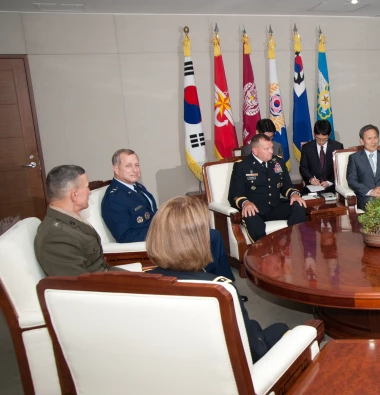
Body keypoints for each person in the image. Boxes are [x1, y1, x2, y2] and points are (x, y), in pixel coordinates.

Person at [146, 196, 289, 362]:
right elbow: (255, 350)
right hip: (233, 372)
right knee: (282, 329)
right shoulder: (221, 291)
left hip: (174, 363)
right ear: (199, 241)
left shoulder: (138, 285)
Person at [101, 148, 234, 280]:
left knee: (211, 235)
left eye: (136, 165)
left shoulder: (137, 187)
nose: (135, 170)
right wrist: (164, 231)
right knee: (211, 236)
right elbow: (125, 236)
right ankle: (215, 281)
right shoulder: (114, 198)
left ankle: (217, 280)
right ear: (116, 169)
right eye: (128, 166)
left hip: (161, 233)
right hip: (153, 240)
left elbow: (153, 215)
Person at [35, 165, 117, 276]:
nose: (89, 192)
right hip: (102, 289)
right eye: (87, 187)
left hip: (107, 277)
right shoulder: (56, 236)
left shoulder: (70, 218)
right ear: (74, 195)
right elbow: (79, 286)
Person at [229, 134, 306, 241]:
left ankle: (293, 241)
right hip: (255, 209)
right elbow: (235, 194)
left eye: (271, 148)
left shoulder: (277, 162)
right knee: (251, 217)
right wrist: (245, 203)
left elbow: (286, 185)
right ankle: (261, 253)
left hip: (275, 206)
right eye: (267, 149)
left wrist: (293, 194)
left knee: (298, 205)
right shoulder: (242, 166)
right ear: (255, 151)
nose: (271, 151)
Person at [346, 124, 380, 210]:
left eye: (375, 138)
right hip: (366, 196)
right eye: (369, 138)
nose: (373, 141)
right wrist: (371, 192)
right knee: (376, 207)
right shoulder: (354, 158)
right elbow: (352, 181)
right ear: (362, 141)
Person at [299, 120, 344, 192]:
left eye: (324, 139)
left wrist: (329, 182)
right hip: (312, 187)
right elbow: (303, 168)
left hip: (331, 187)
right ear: (314, 134)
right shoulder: (306, 148)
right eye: (318, 139)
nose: (321, 142)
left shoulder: (337, 146)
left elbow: (340, 169)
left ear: (330, 135)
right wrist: (311, 179)